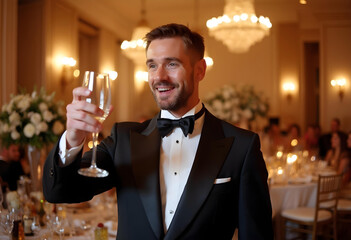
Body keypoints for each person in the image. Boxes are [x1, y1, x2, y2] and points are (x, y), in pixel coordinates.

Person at [43, 23, 273, 240]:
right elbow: (61, 193)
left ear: (200, 70)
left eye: (172, 64)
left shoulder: (241, 146)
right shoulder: (124, 139)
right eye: (152, 65)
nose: (159, 77)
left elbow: (256, 234)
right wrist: (73, 137)